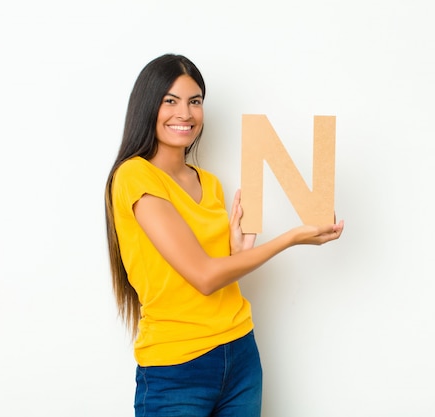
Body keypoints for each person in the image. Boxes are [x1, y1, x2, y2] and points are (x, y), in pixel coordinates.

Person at [104, 53, 344, 417]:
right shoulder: (135, 177)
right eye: (170, 101)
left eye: (195, 101)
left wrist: (235, 254)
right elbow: (203, 277)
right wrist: (291, 238)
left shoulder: (209, 183)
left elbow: (217, 274)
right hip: (177, 368)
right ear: (147, 106)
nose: (184, 114)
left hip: (240, 354)